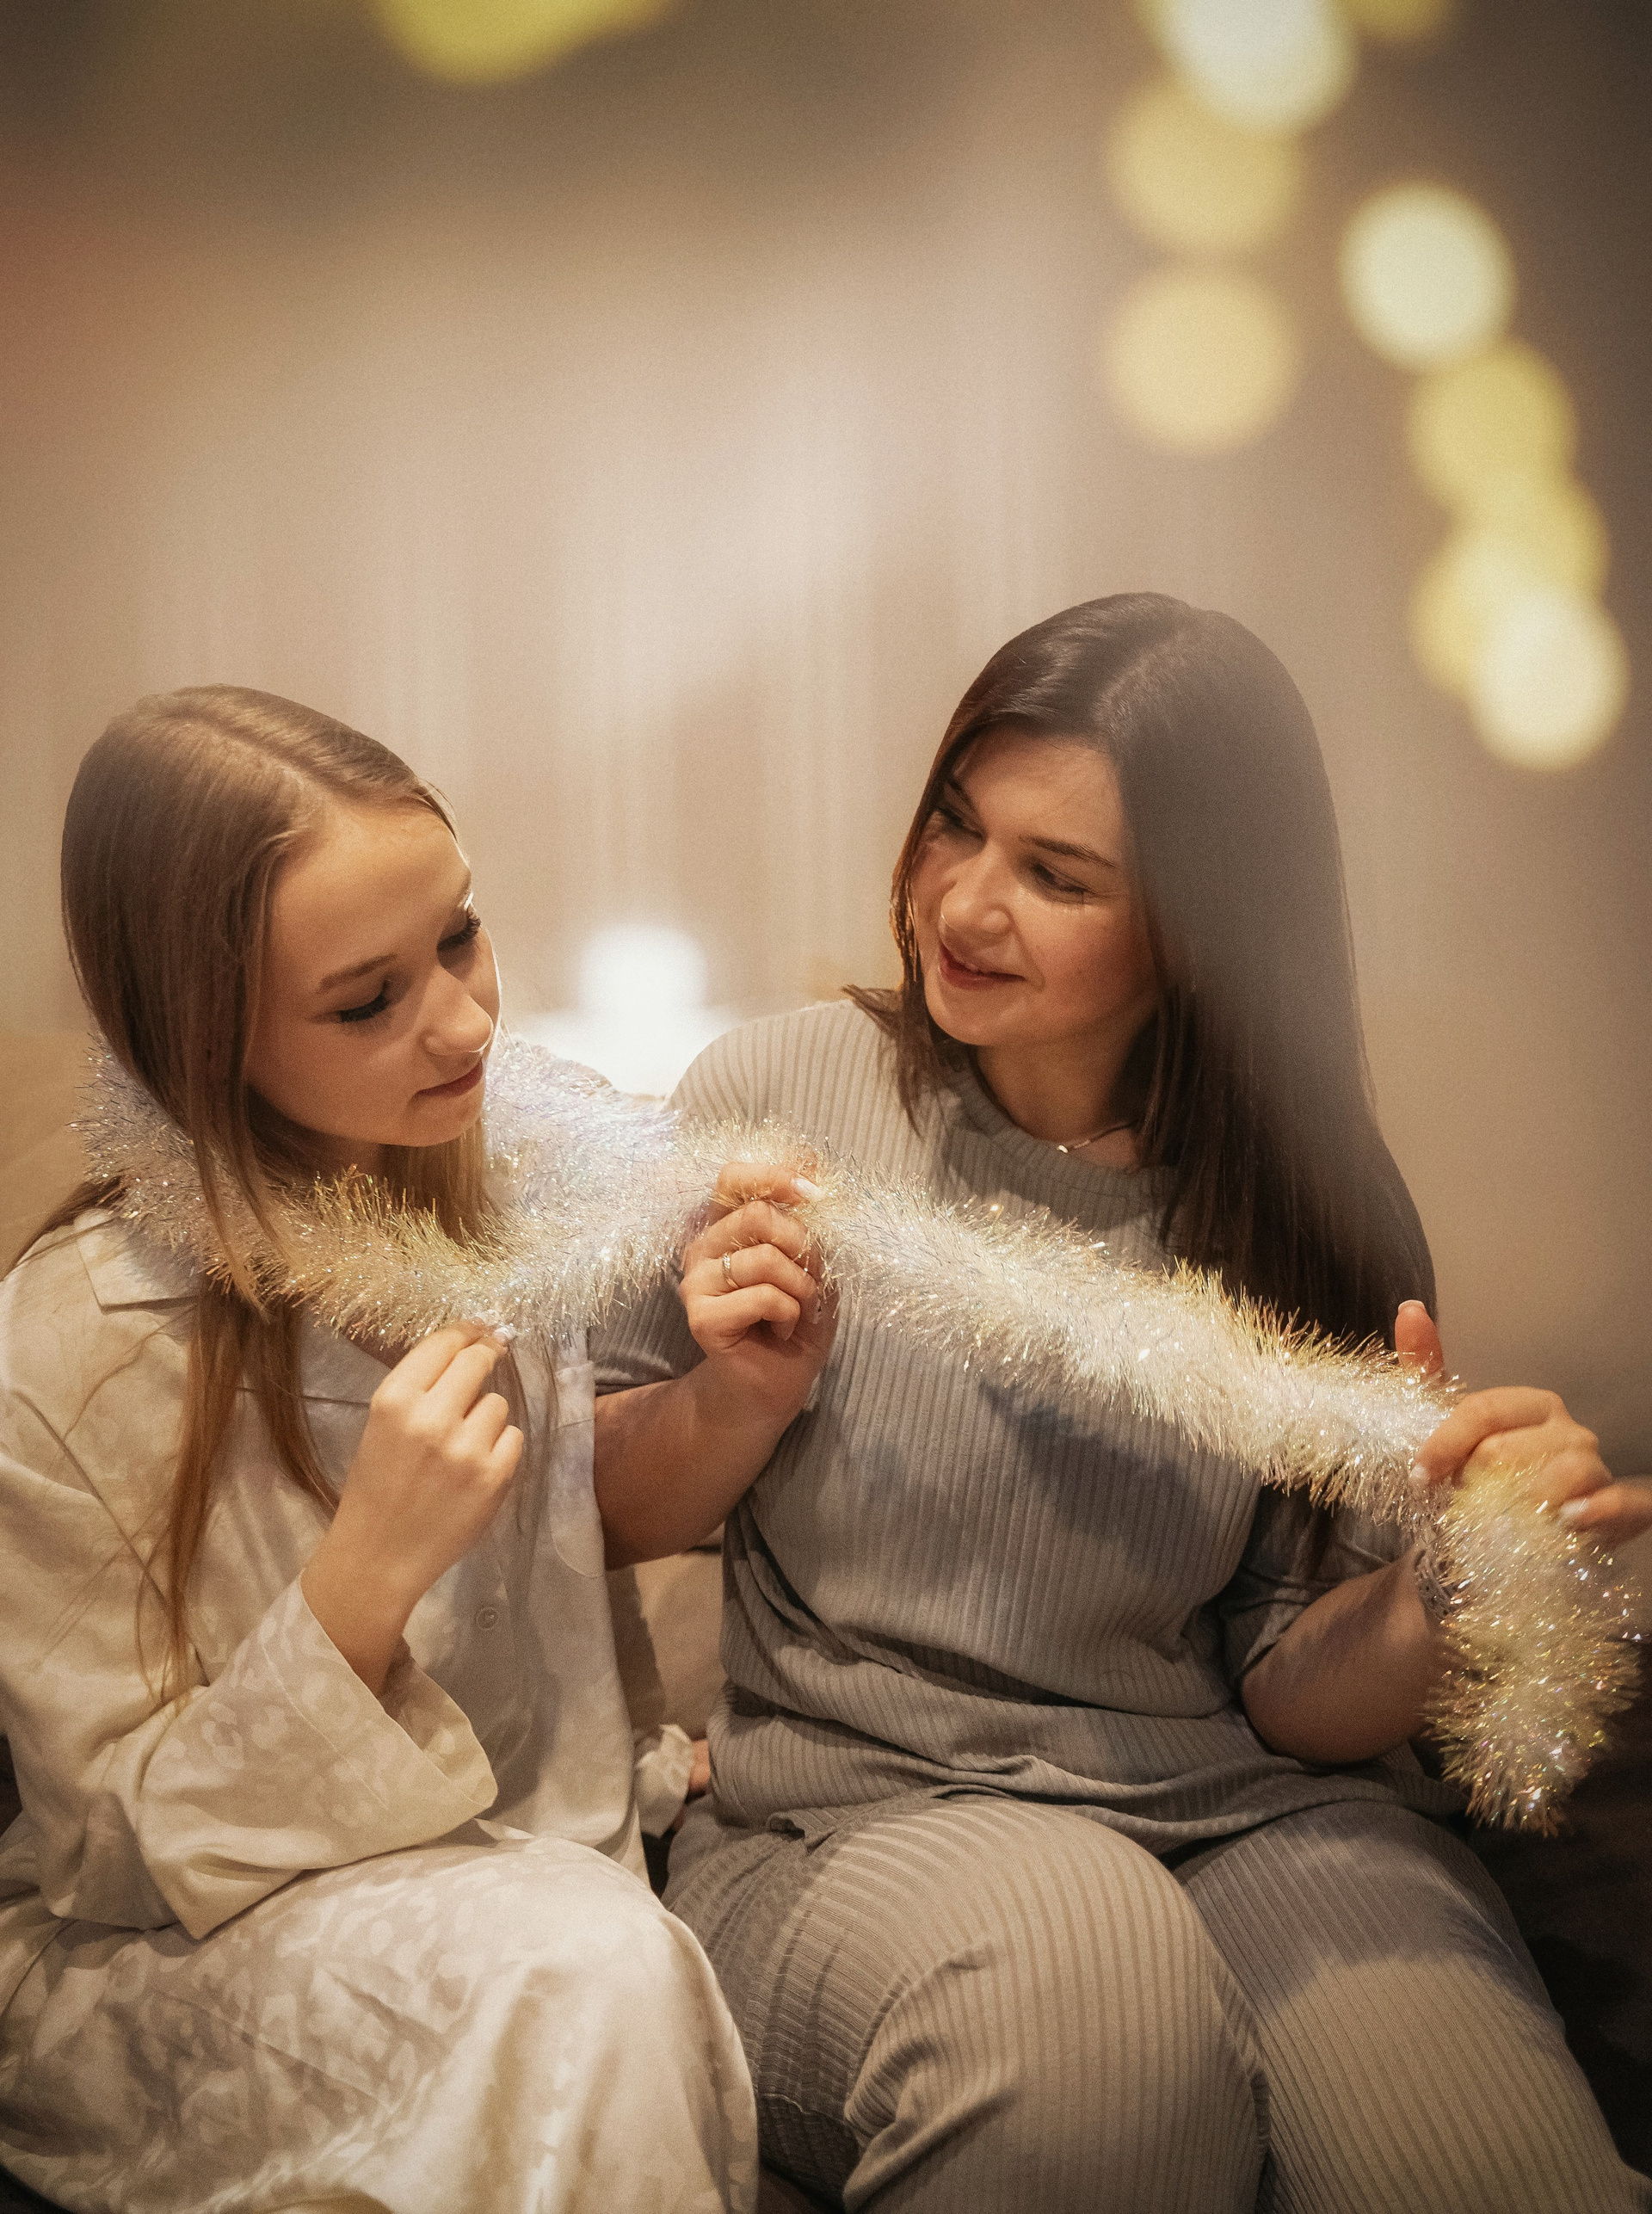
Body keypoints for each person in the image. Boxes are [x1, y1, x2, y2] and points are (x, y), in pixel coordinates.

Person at [592, 595, 1652, 2214]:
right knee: (1093, 2034)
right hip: (851, 1820)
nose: (964, 901)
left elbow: (1290, 1682)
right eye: (958, 823)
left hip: (1250, 1812)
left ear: (1200, 928)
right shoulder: (772, 1098)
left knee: (1481, 2164)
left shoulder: (1313, 1196)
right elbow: (605, 1502)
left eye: (1058, 875)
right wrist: (740, 1395)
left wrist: (1440, 1592)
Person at [0, 686, 825, 2214]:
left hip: (540, 1875)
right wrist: (362, 1575)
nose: (464, 1021)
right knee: (592, 1971)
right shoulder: (72, 1341)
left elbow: (564, 1513)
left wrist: (739, 1398)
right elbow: (108, 1850)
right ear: (205, 1036)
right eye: (365, 999)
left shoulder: (500, 1194)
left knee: (588, 1955)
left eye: (459, 935)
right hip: (176, 1958)